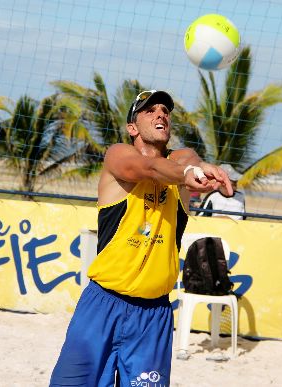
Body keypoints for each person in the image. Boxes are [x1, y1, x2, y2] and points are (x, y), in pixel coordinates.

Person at [50, 90, 232, 386]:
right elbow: (147, 167)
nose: (161, 114)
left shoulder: (181, 164)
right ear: (132, 127)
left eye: (165, 111)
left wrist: (196, 168)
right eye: (150, 110)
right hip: (103, 306)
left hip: (153, 314)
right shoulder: (118, 156)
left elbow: (187, 158)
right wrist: (188, 172)